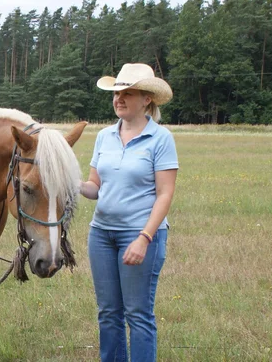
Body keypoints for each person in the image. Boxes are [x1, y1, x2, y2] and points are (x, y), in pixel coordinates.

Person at [80, 63, 178, 362]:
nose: (118, 99)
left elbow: (165, 194)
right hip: (101, 234)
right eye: (116, 93)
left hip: (140, 236)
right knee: (108, 313)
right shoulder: (104, 137)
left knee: (138, 314)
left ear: (146, 98)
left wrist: (144, 238)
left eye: (127, 93)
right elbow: (95, 187)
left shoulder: (160, 139)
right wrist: (70, 182)